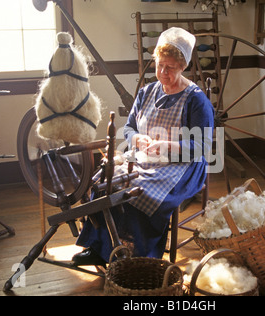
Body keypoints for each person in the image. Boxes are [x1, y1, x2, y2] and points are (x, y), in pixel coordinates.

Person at [73, 27, 215, 266]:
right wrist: (137, 139)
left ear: (183, 66)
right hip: (144, 158)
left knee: (138, 194)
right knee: (103, 182)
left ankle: (138, 258)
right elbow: (128, 129)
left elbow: (202, 146)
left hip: (182, 165)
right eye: (159, 65)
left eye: (169, 67)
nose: (162, 72)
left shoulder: (195, 100)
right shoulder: (146, 93)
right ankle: (100, 248)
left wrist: (167, 145)